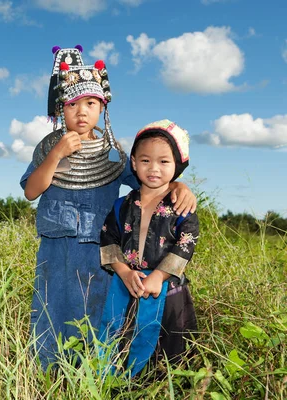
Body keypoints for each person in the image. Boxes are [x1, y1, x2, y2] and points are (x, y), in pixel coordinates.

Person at [19, 46, 197, 371]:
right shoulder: (48, 147)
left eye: (91, 103)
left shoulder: (113, 153)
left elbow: (147, 182)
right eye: (73, 104)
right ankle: (46, 374)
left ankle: (90, 375)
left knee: (97, 313)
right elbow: (32, 190)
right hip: (56, 248)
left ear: (102, 107)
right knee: (51, 309)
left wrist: (177, 186)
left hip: (100, 255)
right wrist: (57, 155)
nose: (82, 112)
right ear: (61, 107)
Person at [98, 119, 199, 378]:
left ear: (177, 166)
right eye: (145, 160)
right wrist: (124, 272)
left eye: (164, 161)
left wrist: (159, 275)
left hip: (169, 296)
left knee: (169, 356)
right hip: (129, 289)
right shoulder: (122, 204)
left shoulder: (181, 206)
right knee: (121, 341)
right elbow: (108, 240)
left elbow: (186, 244)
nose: (153, 168)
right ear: (133, 163)